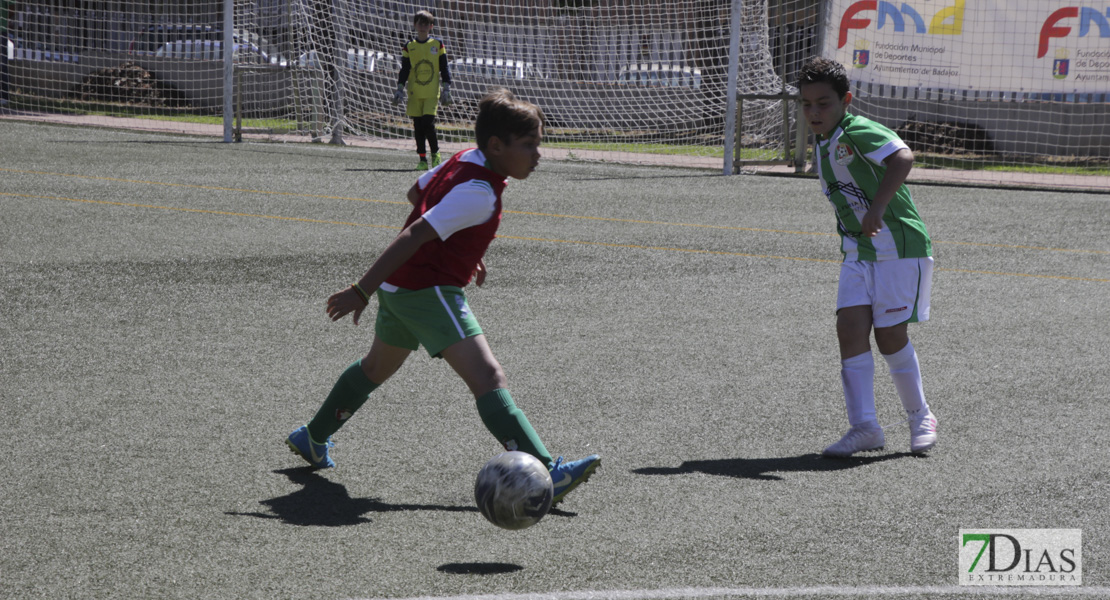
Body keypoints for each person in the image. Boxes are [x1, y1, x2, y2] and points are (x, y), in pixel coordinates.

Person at [287, 88, 600, 505]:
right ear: (496, 145)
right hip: (427, 289)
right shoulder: (480, 192)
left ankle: (312, 437)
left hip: (403, 287)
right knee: (488, 379)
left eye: (537, 144)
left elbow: (417, 194)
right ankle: (548, 471)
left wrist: (464, 247)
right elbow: (415, 232)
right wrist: (362, 289)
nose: (537, 154)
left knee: (375, 368)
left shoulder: (462, 159)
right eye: (529, 145)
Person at [796, 57, 938, 458]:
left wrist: (877, 208)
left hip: (898, 248)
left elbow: (902, 157)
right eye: (807, 105)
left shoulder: (856, 130)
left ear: (846, 100)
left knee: (890, 336)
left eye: (823, 103)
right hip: (859, 252)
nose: (814, 112)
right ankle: (865, 428)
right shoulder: (822, 144)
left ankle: (920, 415)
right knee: (849, 328)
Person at [392, 9, 452, 170]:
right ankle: (422, 159)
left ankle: (436, 154)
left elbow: (444, 66)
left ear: (431, 26)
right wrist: (399, 89)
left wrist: (447, 87)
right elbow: (404, 70)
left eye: (426, 23)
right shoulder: (409, 46)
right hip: (414, 92)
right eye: (420, 23)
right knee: (418, 127)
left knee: (428, 124)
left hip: (432, 92)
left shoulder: (437, 44)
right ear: (415, 25)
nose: (423, 26)